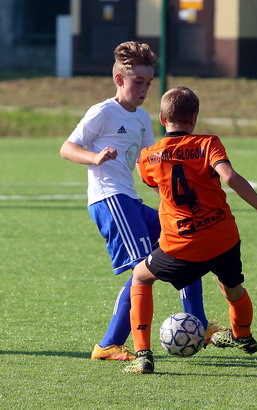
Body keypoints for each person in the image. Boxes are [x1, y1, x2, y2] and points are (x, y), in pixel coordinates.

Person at [59, 41, 212, 361]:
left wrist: (172, 201)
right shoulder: (103, 112)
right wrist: (95, 157)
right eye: (138, 82)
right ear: (119, 79)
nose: (144, 89)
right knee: (144, 270)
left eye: (148, 83)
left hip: (131, 200)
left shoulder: (142, 118)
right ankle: (108, 344)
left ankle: (199, 324)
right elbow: (67, 148)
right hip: (110, 200)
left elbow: (150, 166)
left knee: (186, 244)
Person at [122, 86, 257, 374]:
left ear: (162, 118)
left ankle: (143, 354)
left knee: (140, 277)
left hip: (181, 245)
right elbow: (229, 177)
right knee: (232, 288)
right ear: (194, 117)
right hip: (222, 237)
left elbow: (154, 184)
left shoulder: (149, 156)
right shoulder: (208, 143)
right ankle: (243, 336)